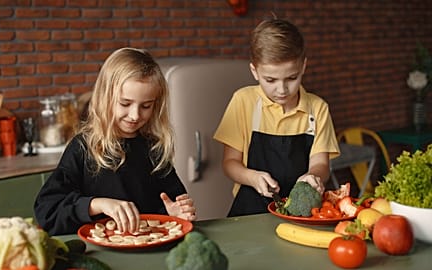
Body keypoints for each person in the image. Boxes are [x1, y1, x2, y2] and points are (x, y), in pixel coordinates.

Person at [34, 47, 197, 235]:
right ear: (105, 97)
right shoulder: (83, 148)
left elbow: (171, 209)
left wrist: (175, 214)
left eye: (146, 106)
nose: (135, 115)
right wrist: (96, 204)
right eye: (125, 104)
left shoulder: (155, 149)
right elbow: (48, 212)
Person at [213, 18, 340, 217]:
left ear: (303, 67)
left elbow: (322, 164)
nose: (282, 90)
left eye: (292, 78)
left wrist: (312, 176)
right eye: (270, 80)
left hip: (301, 214)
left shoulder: (318, 108)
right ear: (254, 71)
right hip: (250, 211)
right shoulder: (243, 101)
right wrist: (252, 177)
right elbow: (229, 163)